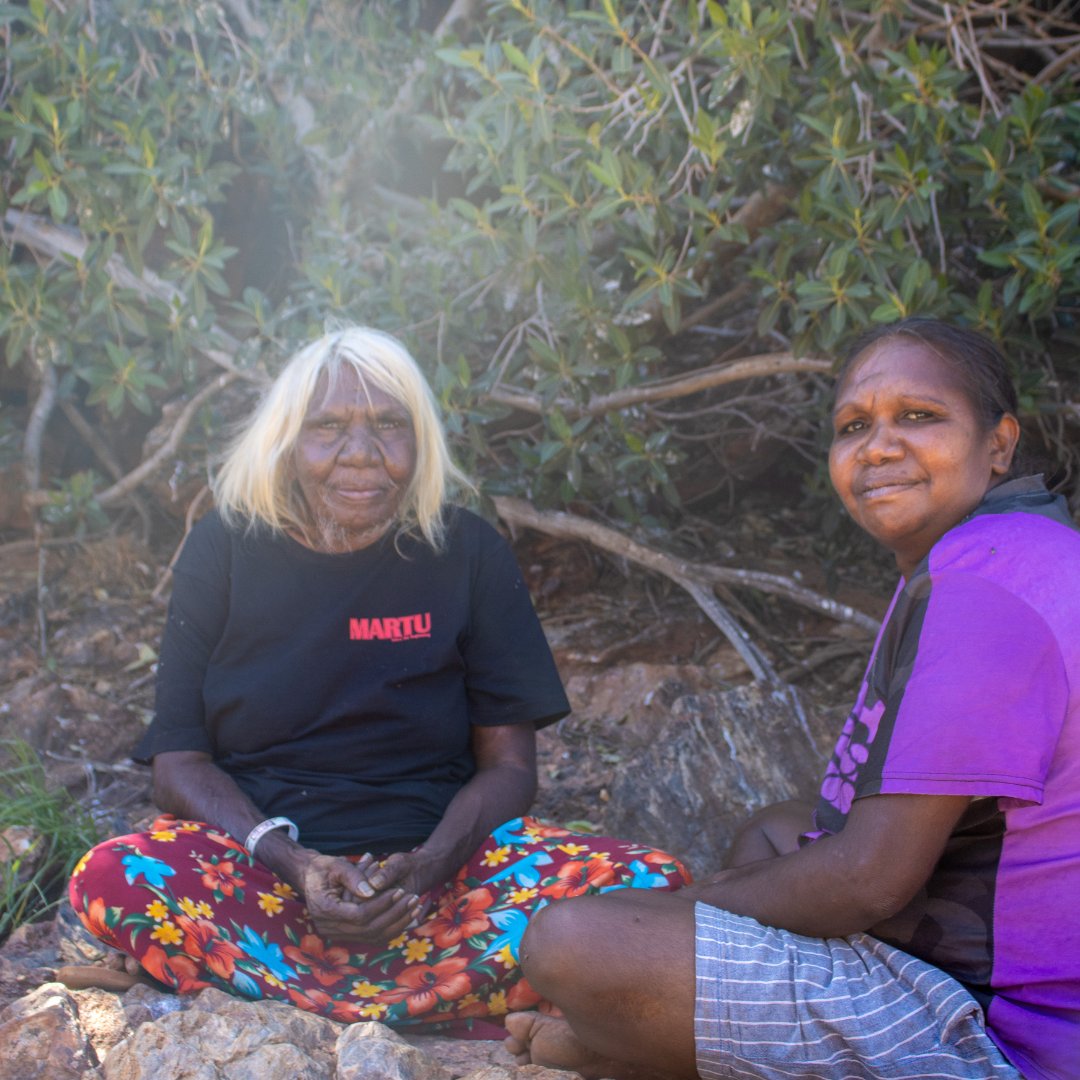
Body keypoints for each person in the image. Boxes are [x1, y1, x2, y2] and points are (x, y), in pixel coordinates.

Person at [67, 326, 690, 1034]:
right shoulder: (224, 548)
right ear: (287, 441)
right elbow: (178, 764)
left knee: (650, 883)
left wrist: (424, 868)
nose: (360, 453)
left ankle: (276, 996)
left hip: (444, 880)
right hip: (267, 878)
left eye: (388, 426)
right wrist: (295, 862)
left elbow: (511, 770)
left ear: (418, 441)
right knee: (115, 879)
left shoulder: (466, 552)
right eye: (328, 427)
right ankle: (453, 1001)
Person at [504, 317, 1079, 1079]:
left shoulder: (982, 592)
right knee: (779, 831)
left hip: (1000, 1036)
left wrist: (685, 914)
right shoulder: (1013, 549)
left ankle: (635, 1044)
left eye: (919, 416)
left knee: (571, 940)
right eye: (853, 426)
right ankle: (672, 1031)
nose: (877, 446)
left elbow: (870, 879)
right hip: (973, 949)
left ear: (999, 442)